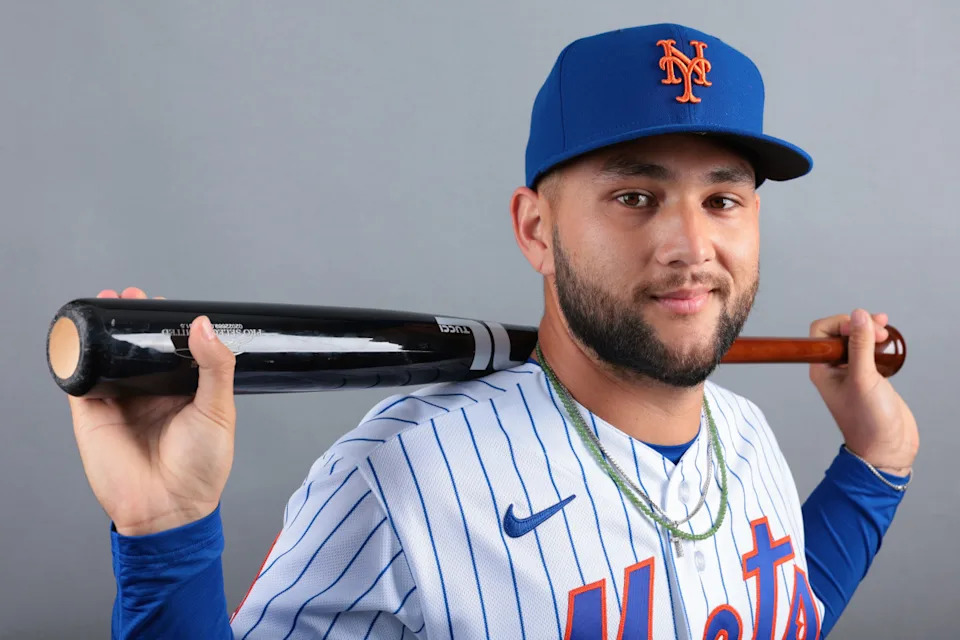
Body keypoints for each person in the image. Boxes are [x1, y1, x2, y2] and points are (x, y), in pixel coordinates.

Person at [68, 23, 918, 639]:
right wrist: (166, 535)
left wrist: (875, 468)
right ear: (536, 229)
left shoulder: (749, 435)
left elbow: (785, 616)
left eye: (723, 199)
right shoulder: (399, 481)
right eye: (634, 197)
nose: (692, 247)